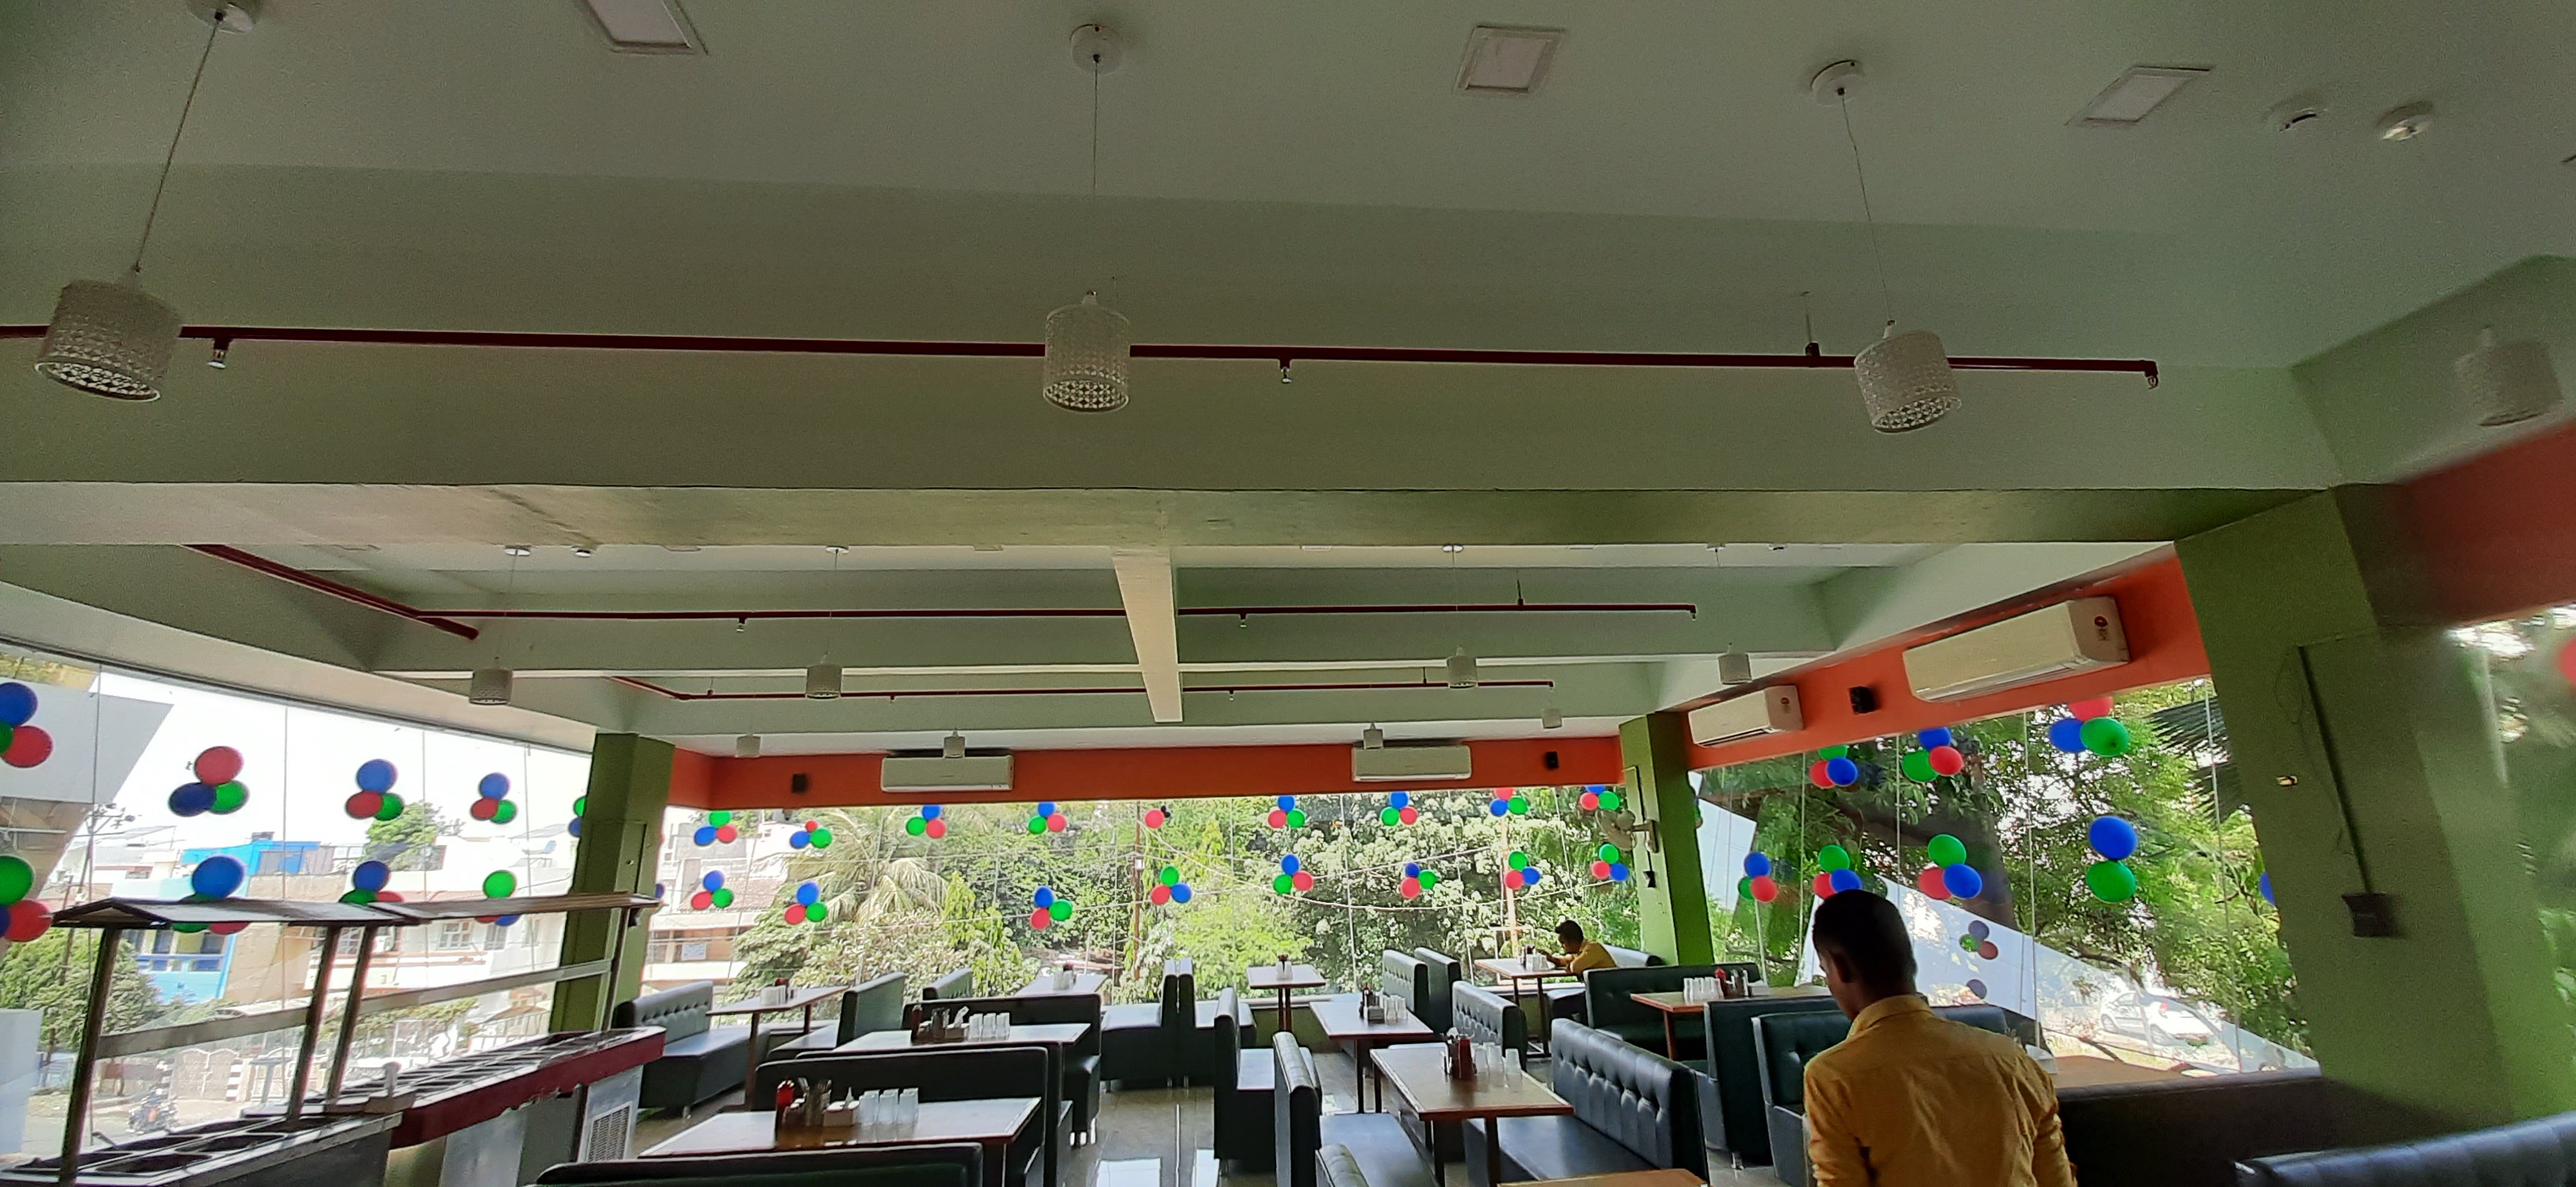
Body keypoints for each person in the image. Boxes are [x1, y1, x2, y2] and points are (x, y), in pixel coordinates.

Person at [1803, 891, 2072, 1187]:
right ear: (1909, 961)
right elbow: (2057, 1180)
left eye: (1825, 972)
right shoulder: (2013, 1058)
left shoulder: (1834, 1077)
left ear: (1839, 967)